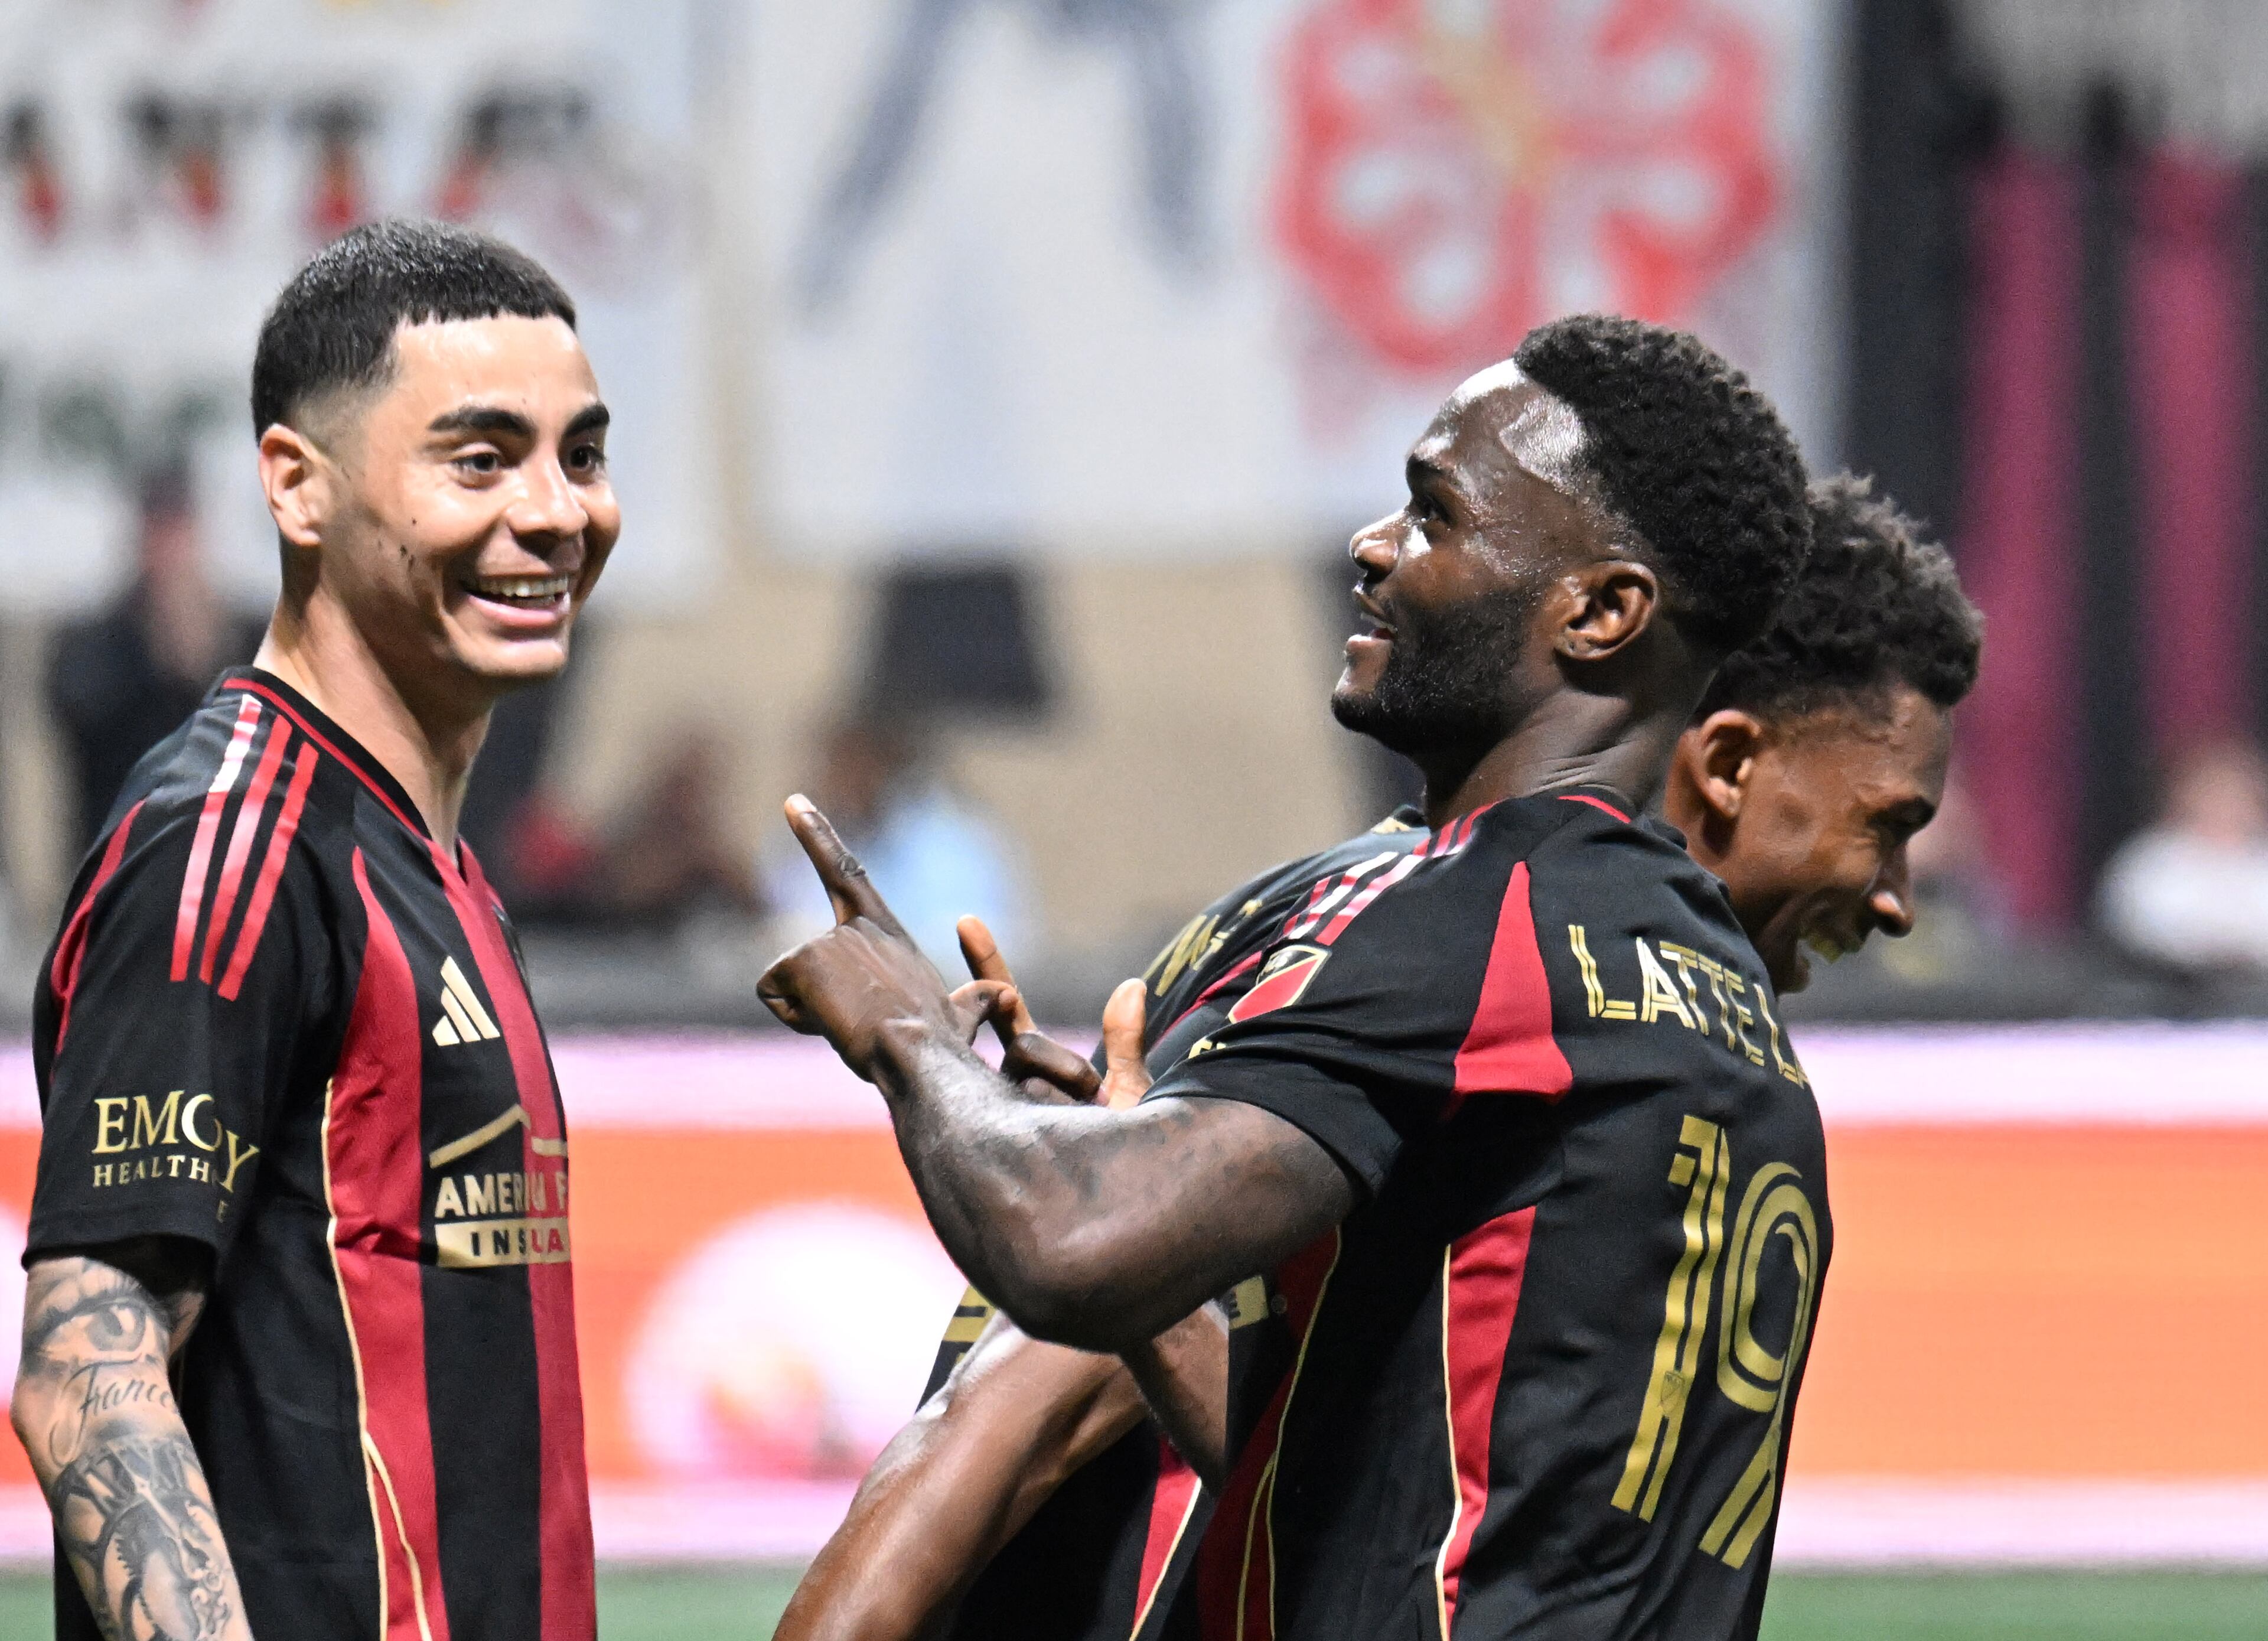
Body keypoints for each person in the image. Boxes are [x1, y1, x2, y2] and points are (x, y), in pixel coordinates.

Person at [774, 471, 1984, 1640]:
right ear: (1726, 763)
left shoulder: (1621, 1021)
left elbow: (1344, 1478)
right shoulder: (1426, 952)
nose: (1895, 897)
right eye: (1884, 823)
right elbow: (1004, 1414)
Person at [9, 218, 617, 1641]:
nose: (556, 512)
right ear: (296, 486)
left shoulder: (431, 863)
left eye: (581, 455)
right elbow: (88, 1371)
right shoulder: (233, 844)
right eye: (480, 460)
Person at [47, 465, 265, 858]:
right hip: (125, 864)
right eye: (159, 531)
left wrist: (207, 660)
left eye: (177, 531)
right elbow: (87, 725)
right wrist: (162, 656)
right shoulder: (94, 646)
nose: (169, 550)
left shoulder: (248, 638)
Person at [2097, 736, 2268, 973]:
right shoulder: (2151, 858)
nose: (2225, 808)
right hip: (2168, 984)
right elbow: (2135, 926)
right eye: (2213, 795)